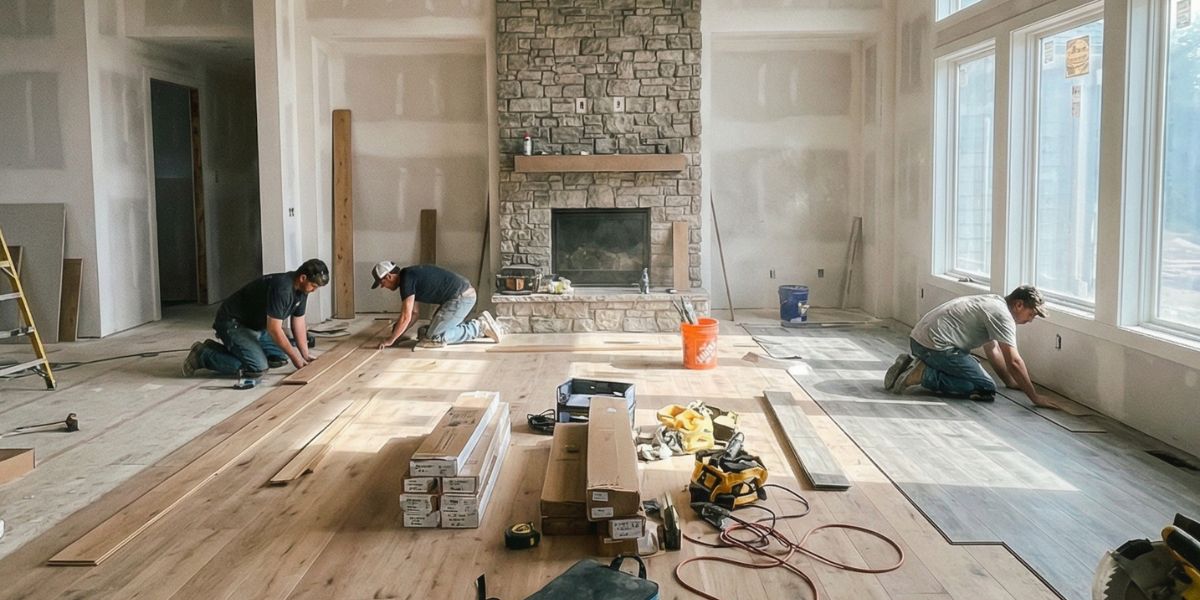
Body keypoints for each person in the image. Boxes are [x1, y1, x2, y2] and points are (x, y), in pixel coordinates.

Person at [884, 285, 1053, 407]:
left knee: (974, 372)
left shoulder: (993, 302)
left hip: (919, 341)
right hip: (935, 347)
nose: (1030, 320)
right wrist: (1035, 397)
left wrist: (1009, 381)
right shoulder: (1003, 316)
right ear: (1019, 305)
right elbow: (1014, 362)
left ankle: (911, 364)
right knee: (985, 387)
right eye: (1031, 314)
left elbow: (992, 349)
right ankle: (922, 374)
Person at [183, 258, 330, 379]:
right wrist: (295, 356)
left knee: (280, 357)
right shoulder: (283, 289)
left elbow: (298, 321)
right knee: (257, 368)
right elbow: (274, 329)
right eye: (314, 286)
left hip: (255, 326)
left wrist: (304, 353)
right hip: (233, 323)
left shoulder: (302, 291)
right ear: (303, 278)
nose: (314, 290)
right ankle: (202, 355)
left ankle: (220, 349)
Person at [370, 261, 502, 349]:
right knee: (423, 334)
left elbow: (406, 316)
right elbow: (414, 314)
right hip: (459, 297)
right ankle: (469, 327)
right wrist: (397, 335)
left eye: (382, 283)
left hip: (461, 298)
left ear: (389, 276)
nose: (383, 287)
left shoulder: (406, 280)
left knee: (434, 338)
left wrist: (390, 340)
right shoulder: (409, 276)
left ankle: (478, 327)